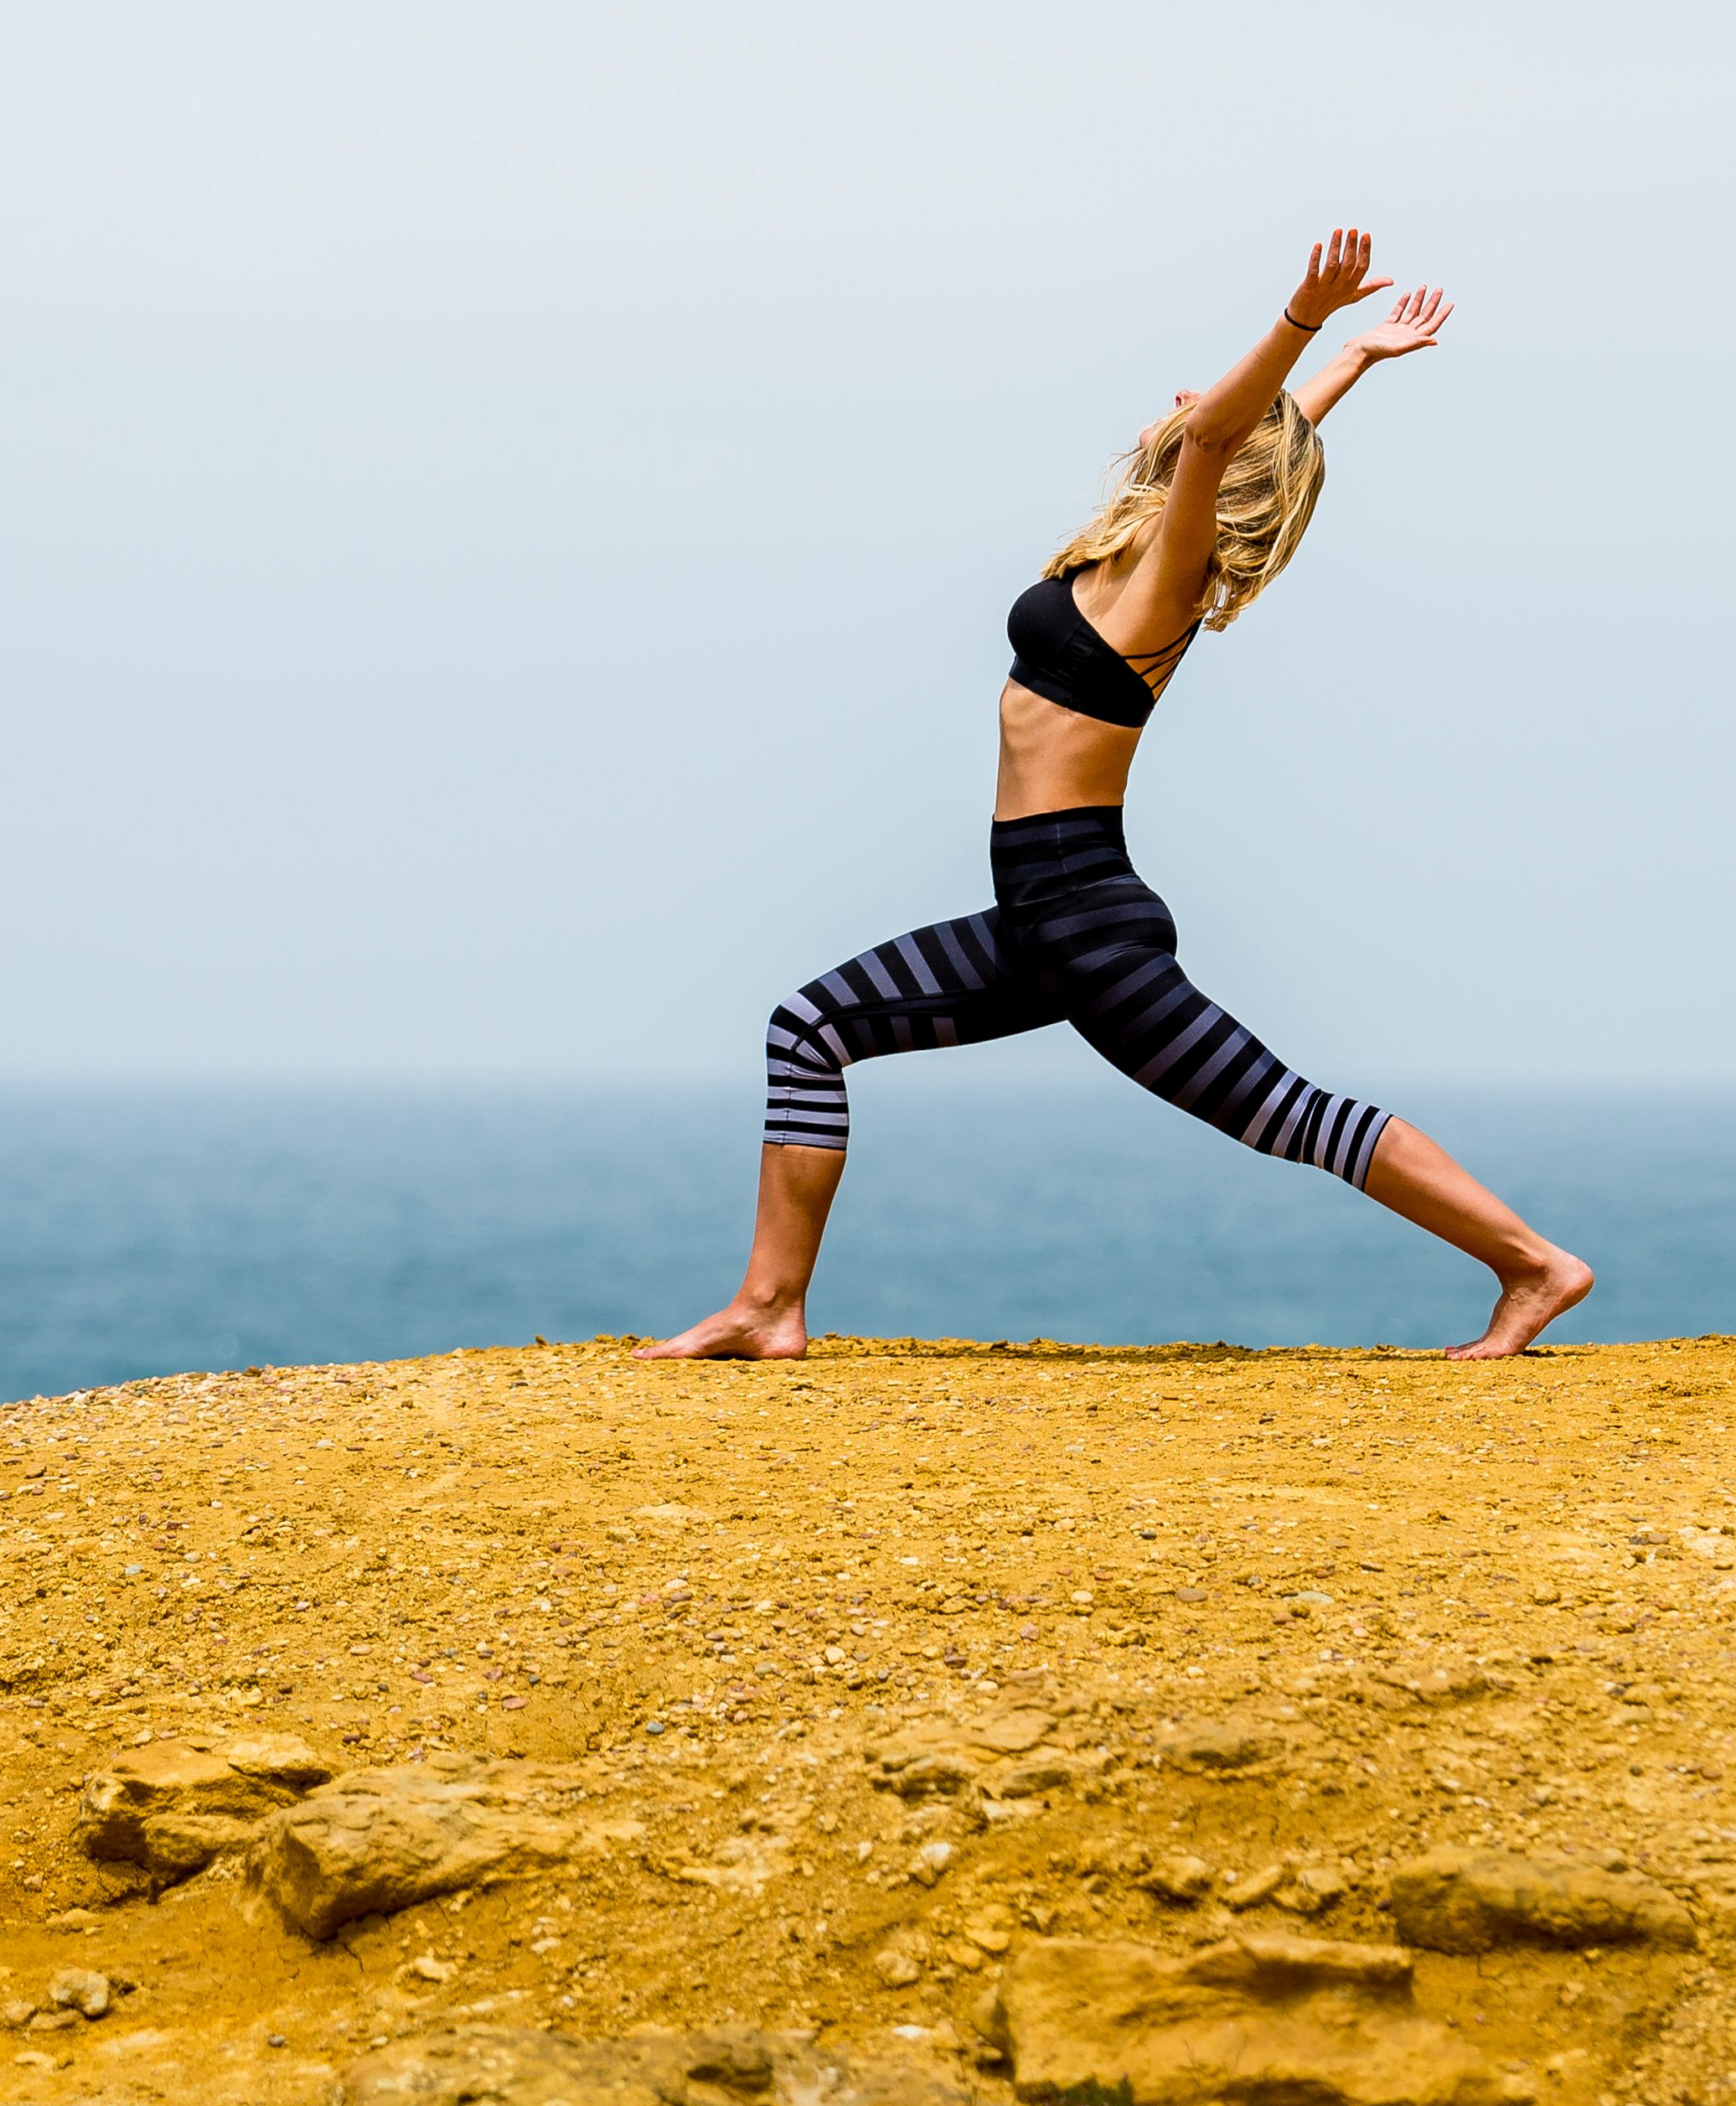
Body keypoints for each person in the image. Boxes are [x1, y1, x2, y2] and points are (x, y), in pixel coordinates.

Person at [651, 232, 1594, 1365]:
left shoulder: (1168, 579)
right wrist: (1349, 361)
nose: (1189, 395)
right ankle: (767, 1307)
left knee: (1287, 1115)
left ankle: (1534, 1263)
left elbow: (1221, 433)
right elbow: (1254, 439)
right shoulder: (1145, 551)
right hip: (1041, 918)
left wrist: (1300, 316)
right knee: (808, 1028)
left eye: (1211, 401)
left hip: (1087, 928)